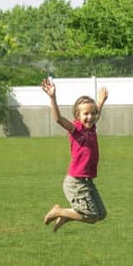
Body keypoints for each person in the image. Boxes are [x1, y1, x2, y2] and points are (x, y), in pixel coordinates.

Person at [41, 77, 108, 232]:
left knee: (101, 214)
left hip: (87, 182)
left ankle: (65, 215)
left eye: (93, 114)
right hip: (76, 182)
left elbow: (94, 112)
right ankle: (58, 212)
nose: (90, 117)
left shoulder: (91, 128)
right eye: (86, 114)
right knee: (91, 215)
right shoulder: (76, 130)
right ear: (77, 116)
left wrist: (100, 102)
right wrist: (52, 97)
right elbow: (58, 119)